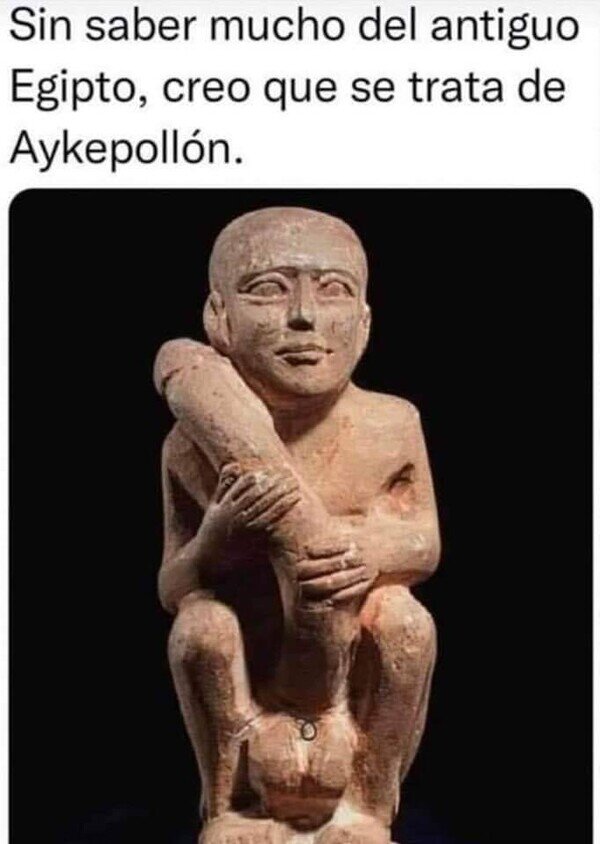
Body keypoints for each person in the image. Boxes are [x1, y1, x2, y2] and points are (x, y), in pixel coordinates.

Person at [155, 207, 440, 843]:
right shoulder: (189, 445)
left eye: (333, 290)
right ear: (218, 319)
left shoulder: (392, 423)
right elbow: (174, 585)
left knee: (405, 622)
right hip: (252, 684)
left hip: (345, 679)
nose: (304, 316)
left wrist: (368, 549)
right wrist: (219, 537)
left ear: (364, 323)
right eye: (268, 290)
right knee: (199, 627)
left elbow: (424, 544)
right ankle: (228, 804)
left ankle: (366, 805)